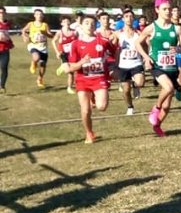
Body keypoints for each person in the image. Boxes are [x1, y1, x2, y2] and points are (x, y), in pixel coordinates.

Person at [62, 14, 116, 143]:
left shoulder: (103, 41)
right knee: (85, 111)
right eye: (86, 23)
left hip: (99, 79)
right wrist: (82, 62)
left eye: (92, 23)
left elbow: (115, 51)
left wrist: (114, 66)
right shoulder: (75, 44)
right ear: (81, 26)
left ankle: (94, 97)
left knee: (102, 107)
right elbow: (71, 67)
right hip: (83, 80)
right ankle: (89, 133)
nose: (89, 26)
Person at [135, 0, 181, 136]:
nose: (168, 12)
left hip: (172, 67)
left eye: (169, 9)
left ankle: (157, 125)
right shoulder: (151, 28)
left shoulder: (177, 29)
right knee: (168, 87)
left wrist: (178, 50)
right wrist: (146, 58)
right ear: (157, 10)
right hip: (157, 65)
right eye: (164, 9)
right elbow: (137, 43)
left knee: (167, 106)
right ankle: (156, 108)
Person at [113, 10, 145, 116]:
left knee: (140, 82)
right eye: (126, 16)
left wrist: (145, 56)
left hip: (136, 62)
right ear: (123, 19)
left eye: (131, 16)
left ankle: (136, 86)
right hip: (124, 65)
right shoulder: (118, 34)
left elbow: (145, 44)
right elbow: (113, 48)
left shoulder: (139, 33)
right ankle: (130, 107)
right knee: (126, 90)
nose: (129, 18)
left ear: (134, 19)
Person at [22, 8, 52, 88]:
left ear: (43, 16)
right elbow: (24, 30)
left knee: (43, 65)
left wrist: (45, 33)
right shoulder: (31, 24)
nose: (39, 16)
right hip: (33, 45)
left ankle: (40, 79)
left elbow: (51, 36)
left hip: (43, 47)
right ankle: (34, 63)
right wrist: (24, 36)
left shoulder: (45, 25)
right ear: (34, 15)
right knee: (36, 57)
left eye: (41, 14)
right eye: (37, 14)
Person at [52, 16, 79, 94]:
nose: (66, 23)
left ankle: (69, 88)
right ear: (61, 23)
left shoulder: (74, 32)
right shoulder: (60, 32)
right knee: (68, 70)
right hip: (63, 53)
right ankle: (63, 67)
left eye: (67, 21)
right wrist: (57, 52)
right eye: (64, 21)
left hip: (73, 54)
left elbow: (78, 42)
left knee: (72, 71)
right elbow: (53, 41)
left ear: (70, 22)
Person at [0, 7, 13, 92]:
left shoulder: (8, 24)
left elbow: (7, 35)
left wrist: (8, 40)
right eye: (0, 12)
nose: (1, 14)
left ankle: (2, 86)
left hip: (5, 49)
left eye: (3, 12)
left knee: (4, 67)